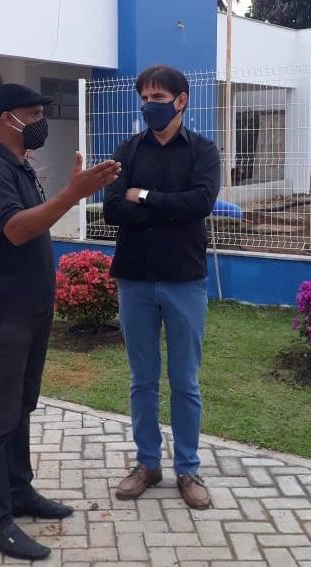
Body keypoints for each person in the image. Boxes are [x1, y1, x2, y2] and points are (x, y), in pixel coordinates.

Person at [0, 83, 120, 560]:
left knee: (21, 406)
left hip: (30, 308)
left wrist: (71, 192)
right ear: (4, 118)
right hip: (3, 311)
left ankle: (18, 491)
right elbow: (16, 229)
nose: (38, 122)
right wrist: (73, 194)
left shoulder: (19, 167)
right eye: (31, 113)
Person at [103, 65, 220, 510]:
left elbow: (200, 204)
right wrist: (161, 206)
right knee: (142, 380)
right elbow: (113, 208)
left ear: (181, 99)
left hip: (184, 282)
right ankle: (147, 464)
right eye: (145, 97)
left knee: (185, 381)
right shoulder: (128, 150)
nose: (150, 104)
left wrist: (145, 197)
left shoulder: (203, 152)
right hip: (134, 279)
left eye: (158, 96)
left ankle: (188, 469)